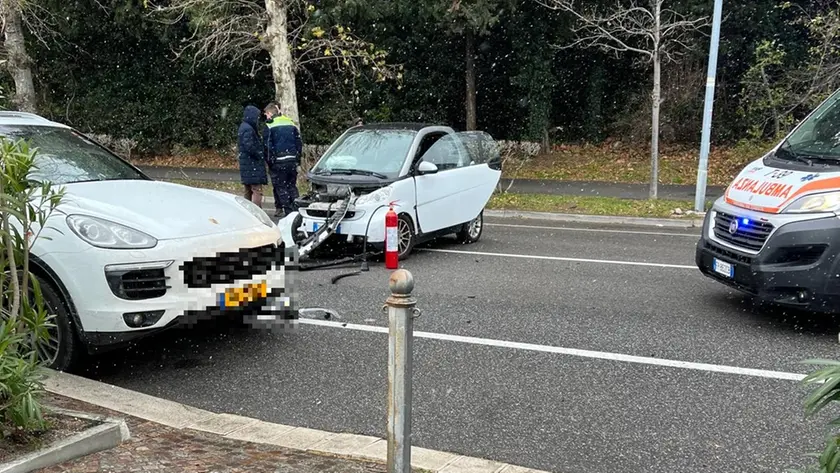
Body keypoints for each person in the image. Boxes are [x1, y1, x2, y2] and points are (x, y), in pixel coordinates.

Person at [263, 102, 303, 218]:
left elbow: (268, 147)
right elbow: (298, 143)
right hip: (292, 160)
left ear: (270, 113)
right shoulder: (290, 123)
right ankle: (297, 208)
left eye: (266, 114)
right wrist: (297, 159)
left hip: (279, 162)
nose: (266, 117)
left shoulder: (270, 126)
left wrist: (270, 162)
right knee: (291, 185)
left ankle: (288, 212)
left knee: (281, 187)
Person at [237, 105, 268, 206]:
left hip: (247, 163)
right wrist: (259, 154)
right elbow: (249, 146)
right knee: (256, 190)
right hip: (252, 164)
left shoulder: (244, 127)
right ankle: (256, 211)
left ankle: (247, 210)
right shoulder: (249, 129)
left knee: (248, 190)